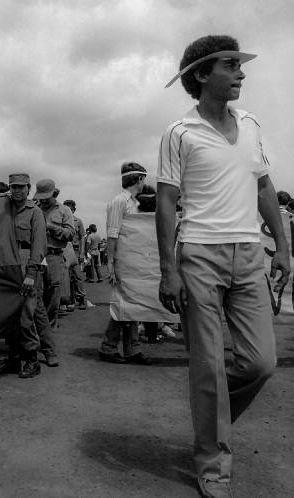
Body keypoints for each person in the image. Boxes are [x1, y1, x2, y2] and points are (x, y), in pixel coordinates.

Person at [157, 35, 290, 498]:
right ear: (201, 75)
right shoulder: (179, 132)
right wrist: (168, 269)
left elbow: (264, 187)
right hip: (199, 255)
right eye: (230, 65)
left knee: (260, 363)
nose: (241, 73)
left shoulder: (251, 123)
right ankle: (213, 464)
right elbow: (167, 203)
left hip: (250, 253)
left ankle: (208, 419)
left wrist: (284, 248)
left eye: (239, 64)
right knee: (209, 366)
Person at [97, 162, 153, 366]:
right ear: (139, 179)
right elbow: (113, 234)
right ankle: (109, 347)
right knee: (125, 305)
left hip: (135, 260)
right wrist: (111, 263)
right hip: (122, 260)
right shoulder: (119, 202)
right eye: (144, 178)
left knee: (133, 305)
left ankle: (132, 349)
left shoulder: (135, 203)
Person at [0, 173, 47, 379]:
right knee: (8, 316)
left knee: (26, 317)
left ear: (28, 188)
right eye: (13, 187)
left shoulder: (35, 213)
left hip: (26, 265)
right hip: (6, 265)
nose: (16, 190)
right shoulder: (3, 209)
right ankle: (13, 359)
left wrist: (31, 274)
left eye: (20, 187)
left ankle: (32, 361)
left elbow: (39, 246)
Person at [32, 179, 72, 367]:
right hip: (37, 256)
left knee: (54, 297)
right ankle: (41, 337)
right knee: (36, 296)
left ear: (54, 195)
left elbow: (70, 235)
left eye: (46, 198)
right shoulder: (34, 209)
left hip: (55, 255)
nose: (43, 201)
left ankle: (46, 334)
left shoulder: (64, 211)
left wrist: (52, 228)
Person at [63, 199, 87, 311]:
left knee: (77, 276)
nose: (68, 211)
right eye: (66, 208)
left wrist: (82, 252)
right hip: (65, 250)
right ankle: (70, 301)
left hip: (76, 250)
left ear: (74, 210)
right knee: (67, 277)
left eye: (70, 209)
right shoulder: (61, 221)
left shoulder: (78, 221)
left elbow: (82, 236)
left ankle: (81, 299)